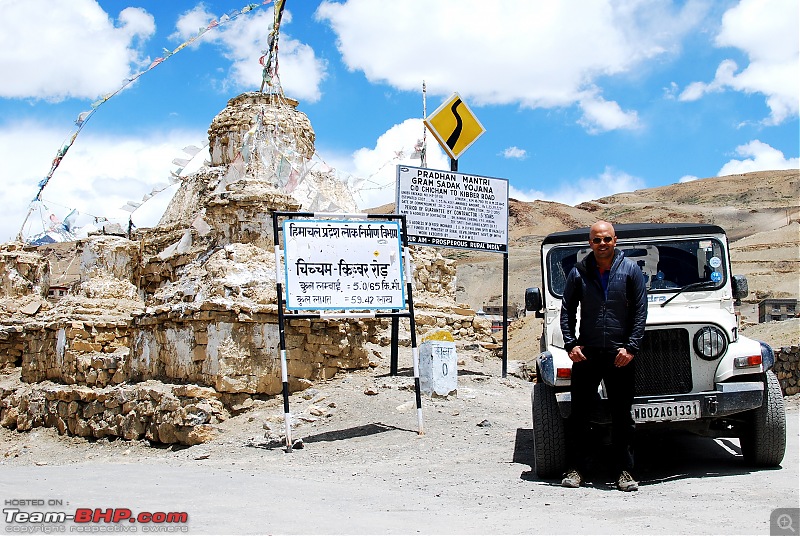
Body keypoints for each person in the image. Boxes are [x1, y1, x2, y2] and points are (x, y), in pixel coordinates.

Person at [559, 220, 648, 491]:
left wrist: (631, 348)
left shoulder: (631, 270)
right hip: (587, 353)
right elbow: (566, 311)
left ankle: (625, 473)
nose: (602, 244)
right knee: (579, 416)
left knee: (622, 416)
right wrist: (571, 345)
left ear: (615, 240)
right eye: (597, 240)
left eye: (606, 239)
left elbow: (640, 312)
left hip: (620, 355)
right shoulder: (579, 272)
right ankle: (576, 470)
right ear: (590, 243)